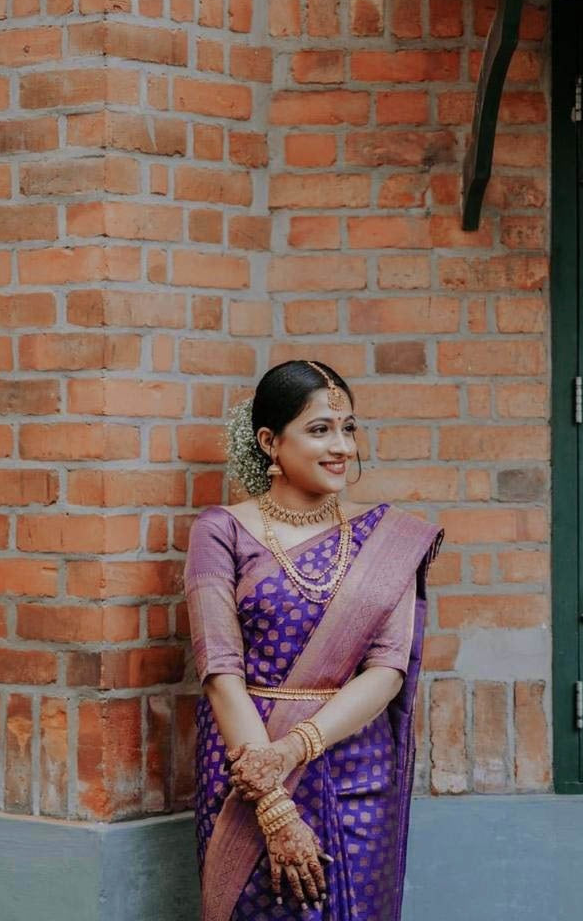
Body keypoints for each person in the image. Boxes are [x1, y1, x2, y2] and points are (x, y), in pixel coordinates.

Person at [184, 360, 444, 921]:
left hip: (355, 763)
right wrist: (273, 800)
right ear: (270, 442)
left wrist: (292, 750)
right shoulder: (221, 531)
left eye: (348, 428)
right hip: (246, 764)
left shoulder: (387, 538)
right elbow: (220, 672)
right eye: (320, 429)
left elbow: (387, 668)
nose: (342, 447)